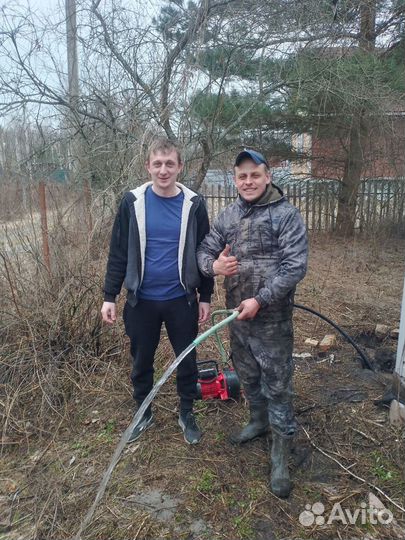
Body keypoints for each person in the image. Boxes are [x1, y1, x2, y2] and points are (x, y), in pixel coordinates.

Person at [197, 149, 308, 497]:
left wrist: (260, 300)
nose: (248, 182)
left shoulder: (286, 215)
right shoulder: (228, 215)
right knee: (247, 375)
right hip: (237, 318)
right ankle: (258, 421)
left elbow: (295, 267)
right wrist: (213, 267)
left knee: (278, 384)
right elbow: (203, 251)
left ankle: (280, 452)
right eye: (242, 176)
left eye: (254, 175)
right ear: (235, 180)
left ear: (267, 176)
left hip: (272, 321)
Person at [101, 138, 213, 445]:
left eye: (170, 164)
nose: (163, 170)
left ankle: (186, 411)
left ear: (180, 167)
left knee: (187, 359)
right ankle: (143, 411)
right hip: (142, 300)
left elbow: (205, 252)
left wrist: (205, 297)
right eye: (157, 164)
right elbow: (118, 253)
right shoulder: (132, 202)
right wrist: (109, 296)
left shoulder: (194, 204)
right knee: (141, 359)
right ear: (148, 166)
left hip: (181, 300)